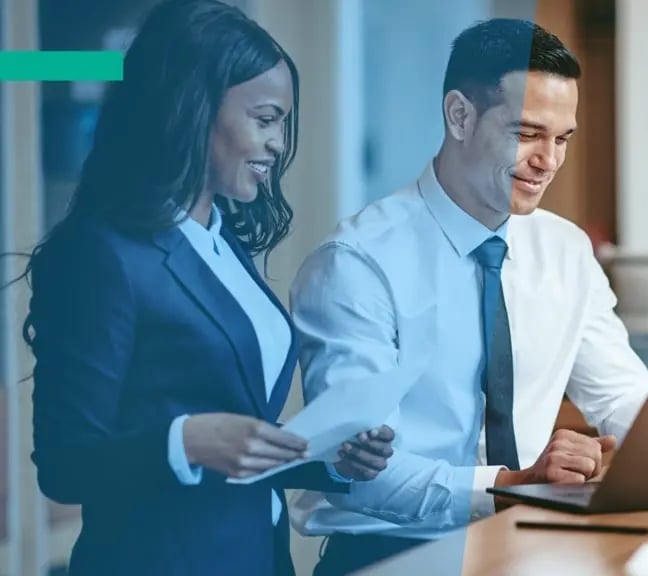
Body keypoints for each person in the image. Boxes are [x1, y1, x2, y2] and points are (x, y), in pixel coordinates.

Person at [20, 1, 393, 575]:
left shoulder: (221, 243)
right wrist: (185, 441)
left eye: (283, 124)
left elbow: (237, 441)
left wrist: (332, 461)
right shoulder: (104, 254)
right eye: (265, 119)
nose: (278, 144)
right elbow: (65, 463)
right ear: (193, 108)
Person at [288, 18, 648, 575]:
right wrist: (509, 486)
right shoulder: (357, 263)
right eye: (528, 133)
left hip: (529, 551)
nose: (549, 161)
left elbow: (622, 396)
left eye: (562, 139)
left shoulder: (565, 250)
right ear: (460, 115)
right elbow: (358, 475)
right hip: (389, 560)